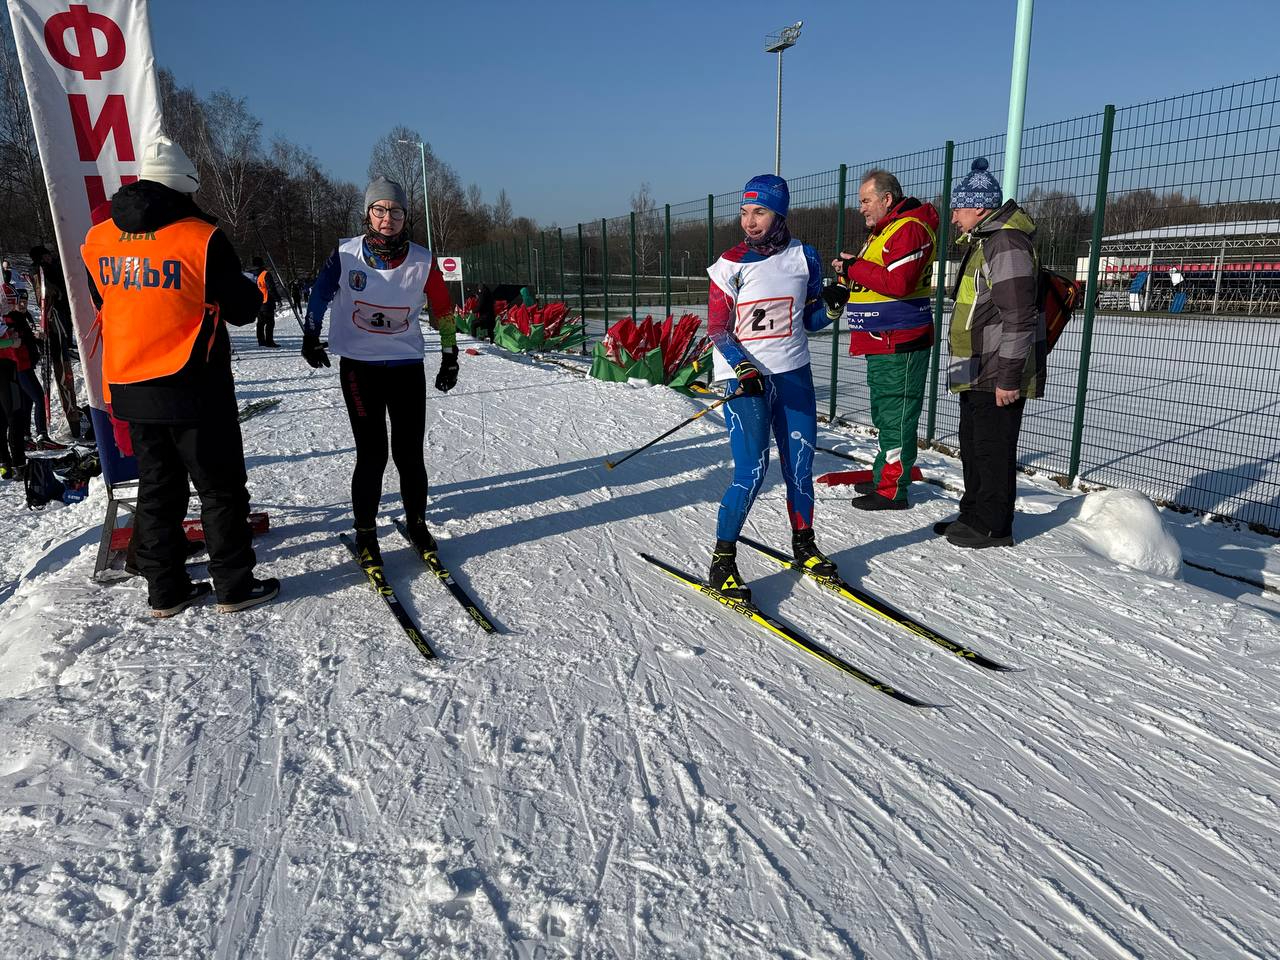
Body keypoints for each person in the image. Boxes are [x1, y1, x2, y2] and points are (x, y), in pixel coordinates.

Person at [81, 134, 278, 616]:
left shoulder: (99, 237)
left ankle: (164, 588)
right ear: (185, 187)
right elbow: (239, 310)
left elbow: (102, 298)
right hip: (192, 382)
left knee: (157, 484)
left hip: (128, 379)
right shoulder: (201, 237)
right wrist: (255, 294)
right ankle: (233, 584)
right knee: (219, 487)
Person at [301, 176, 459, 569]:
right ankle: (366, 532)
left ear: (406, 216)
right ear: (368, 213)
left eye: (396, 211)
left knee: (409, 453)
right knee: (372, 454)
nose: (388, 218)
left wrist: (450, 353)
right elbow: (319, 294)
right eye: (380, 209)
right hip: (360, 368)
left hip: (406, 367)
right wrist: (310, 335)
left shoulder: (423, 260)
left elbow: (443, 309)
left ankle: (417, 523)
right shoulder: (347, 254)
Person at [704, 174, 837, 599]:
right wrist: (743, 367)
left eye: (759, 211)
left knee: (799, 467)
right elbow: (718, 330)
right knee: (753, 470)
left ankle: (804, 545)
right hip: (745, 379)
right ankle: (722, 560)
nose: (749, 221)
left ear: (780, 212)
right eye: (744, 212)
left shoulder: (806, 257)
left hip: (794, 373)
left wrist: (833, 311)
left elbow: (809, 318)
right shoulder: (729, 263)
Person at [934, 158, 1044, 549]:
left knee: (992, 447)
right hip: (972, 363)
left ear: (979, 207)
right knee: (972, 441)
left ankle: (994, 525)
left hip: (996, 367)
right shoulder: (984, 242)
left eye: (958, 209)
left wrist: (1009, 377)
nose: (954, 217)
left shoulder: (1006, 243)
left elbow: (1018, 315)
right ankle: (973, 513)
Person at [827, 169, 938, 511]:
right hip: (881, 339)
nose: (861, 208)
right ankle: (884, 477)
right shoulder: (884, 231)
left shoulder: (909, 229)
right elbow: (874, 277)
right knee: (885, 415)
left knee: (897, 416)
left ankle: (893, 490)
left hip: (900, 341)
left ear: (886, 199)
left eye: (865, 200)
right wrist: (849, 273)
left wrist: (853, 268)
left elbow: (898, 282)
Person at [28, 243, 80, 437]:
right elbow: (46, 294)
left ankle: (75, 419)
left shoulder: (55, 267)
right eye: (47, 255)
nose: (50, 257)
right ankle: (72, 421)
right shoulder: (39, 272)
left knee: (66, 373)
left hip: (64, 321)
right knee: (63, 374)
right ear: (42, 257)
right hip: (54, 325)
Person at [0, 286, 51, 448]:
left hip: (26, 364)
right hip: (20, 366)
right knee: (38, 398)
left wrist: (37, 339)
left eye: (25, 302)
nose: (22, 305)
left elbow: (26, 340)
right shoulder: (10, 318)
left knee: (27, 401)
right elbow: (14, 342)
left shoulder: (23, 317)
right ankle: (42, 434)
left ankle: (26, 435)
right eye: (19, 302)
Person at [253, 256, 279, 347]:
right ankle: (269, 341)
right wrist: (278, 298)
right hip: (267, 301)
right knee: (270, 323)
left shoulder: (254, 275)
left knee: (260, 323)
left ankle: (261, 341)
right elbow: (271, 288)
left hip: (258, 302)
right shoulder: (265, 274)